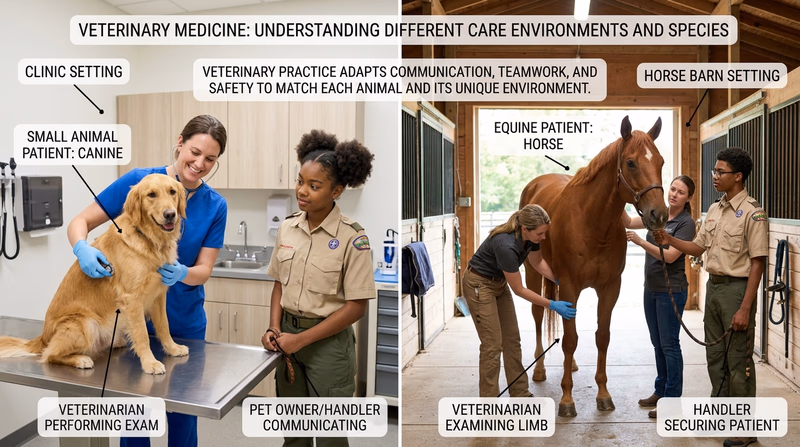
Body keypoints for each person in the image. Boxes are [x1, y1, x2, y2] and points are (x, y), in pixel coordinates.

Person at [68, 115, 228, 447]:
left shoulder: (215, 205)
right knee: (137, 418)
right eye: (194, 152)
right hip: (131, 326)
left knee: (183, 419)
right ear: (180, 142)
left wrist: (183, 273)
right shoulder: (141, 183)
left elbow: (204, 269)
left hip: (184, 322)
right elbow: (80, 221)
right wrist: (82, 247)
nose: (199, 164)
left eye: (210, 159)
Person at [261, 129, 375, 447]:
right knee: (294, 435)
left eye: (314, 186)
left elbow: (356, 307)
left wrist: (301, 340)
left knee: (329, 438)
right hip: (287, 339)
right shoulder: (287, 227)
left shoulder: (354, 237)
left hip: (328, 348)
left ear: (336, 190)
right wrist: (274, 328)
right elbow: (279, 285)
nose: (303, 191)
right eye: (300, 181)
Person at [653, 148, 767, 447]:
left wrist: (744, 307)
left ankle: (745, 428)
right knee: (715, 358)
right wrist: (670, 239)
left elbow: (758, 262)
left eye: (720, 172)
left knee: (737, 359)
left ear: (738, 176)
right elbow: (697, 247)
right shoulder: (715, 209)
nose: (714, 176)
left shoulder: (753, 212)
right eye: (714, 171)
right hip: (714, 288)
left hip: (736, 291)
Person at [461, 204, 576, 398]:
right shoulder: (505, 245)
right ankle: (488, 401)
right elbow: (519, 289)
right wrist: (551, 304)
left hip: (499, 283)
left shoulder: (531, 239)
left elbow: (537, 262)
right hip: (479, 285)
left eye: (544, 233)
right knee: (492, 344)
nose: (544, 237)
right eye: (540, 233)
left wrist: (555, 278)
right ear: (525, 229)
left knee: (512, 340)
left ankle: (519, 391)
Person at [622, 175, 696, 419]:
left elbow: (673, 255)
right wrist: (622, 196)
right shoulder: (660, 215)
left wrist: (641, 243)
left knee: (670, 345)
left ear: (687, 199)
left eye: (680, 192)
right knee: (657, 344)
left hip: (671, 291)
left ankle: (673, 402)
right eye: (672, 189)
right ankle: (661, 390)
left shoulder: (686, 223)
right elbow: (630, 221)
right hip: (651, 288)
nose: (674, 194)